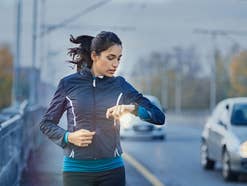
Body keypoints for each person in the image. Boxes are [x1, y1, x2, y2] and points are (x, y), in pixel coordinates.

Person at [39, 31, 165, 186]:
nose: (116, 64)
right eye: (110, 57)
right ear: (94, 56)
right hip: (76, 170)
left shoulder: (120, 85)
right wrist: (68, 137)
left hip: (112, 170)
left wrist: (131, 108)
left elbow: (159, 117)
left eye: (119, 58)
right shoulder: (68, 84)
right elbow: (46, 124)